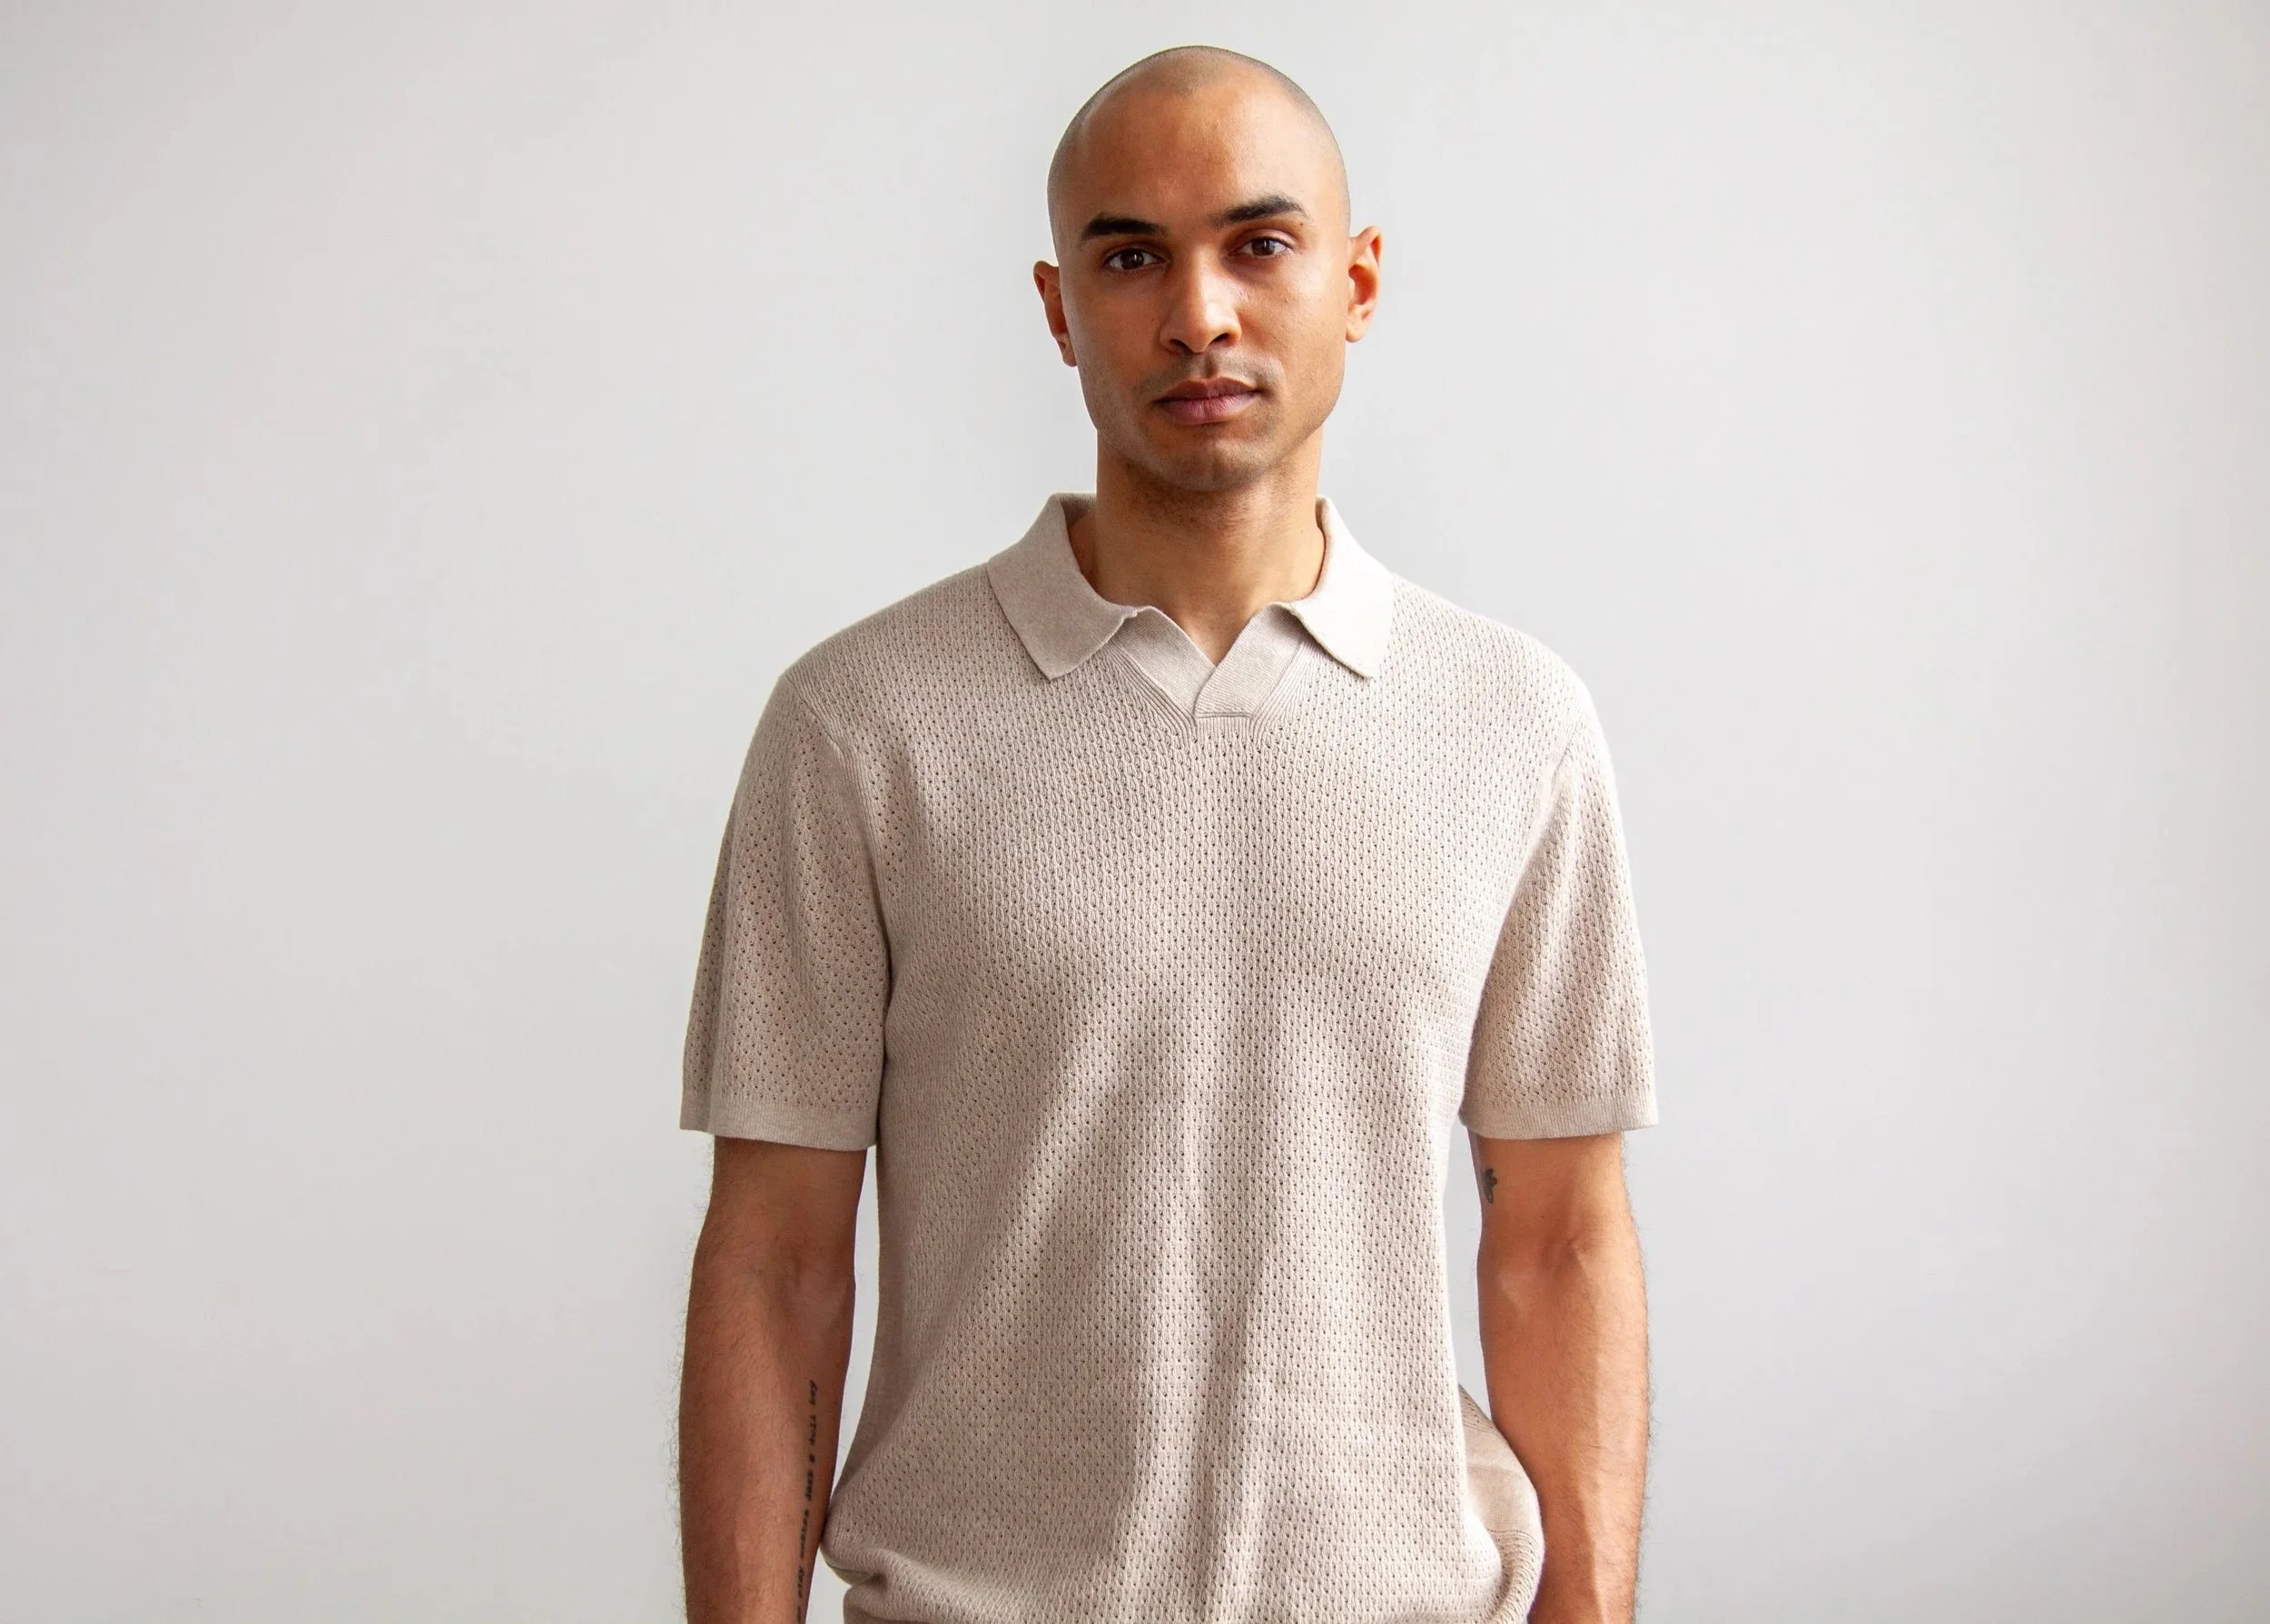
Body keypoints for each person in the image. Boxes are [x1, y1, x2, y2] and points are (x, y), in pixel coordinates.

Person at [676, 44, 1658, 1624]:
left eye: (1258, 245)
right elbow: (776, 1260)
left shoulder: (1511, 723)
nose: (1199, 313)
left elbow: (1558, 1240)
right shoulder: (859, 725)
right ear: (1060, 310)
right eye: (1131, 258)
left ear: (1357, 281)